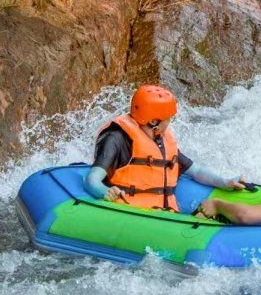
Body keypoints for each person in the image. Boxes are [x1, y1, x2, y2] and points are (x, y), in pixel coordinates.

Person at [86, 84, 244, 210]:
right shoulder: (117, 139)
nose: (169, 123)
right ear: (154, 122)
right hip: (131, 211)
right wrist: (106, 192)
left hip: (162, 213)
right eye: (168, 119)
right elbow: (92, 180)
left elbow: (195, 171)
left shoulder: (160, 140)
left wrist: (224, 182)